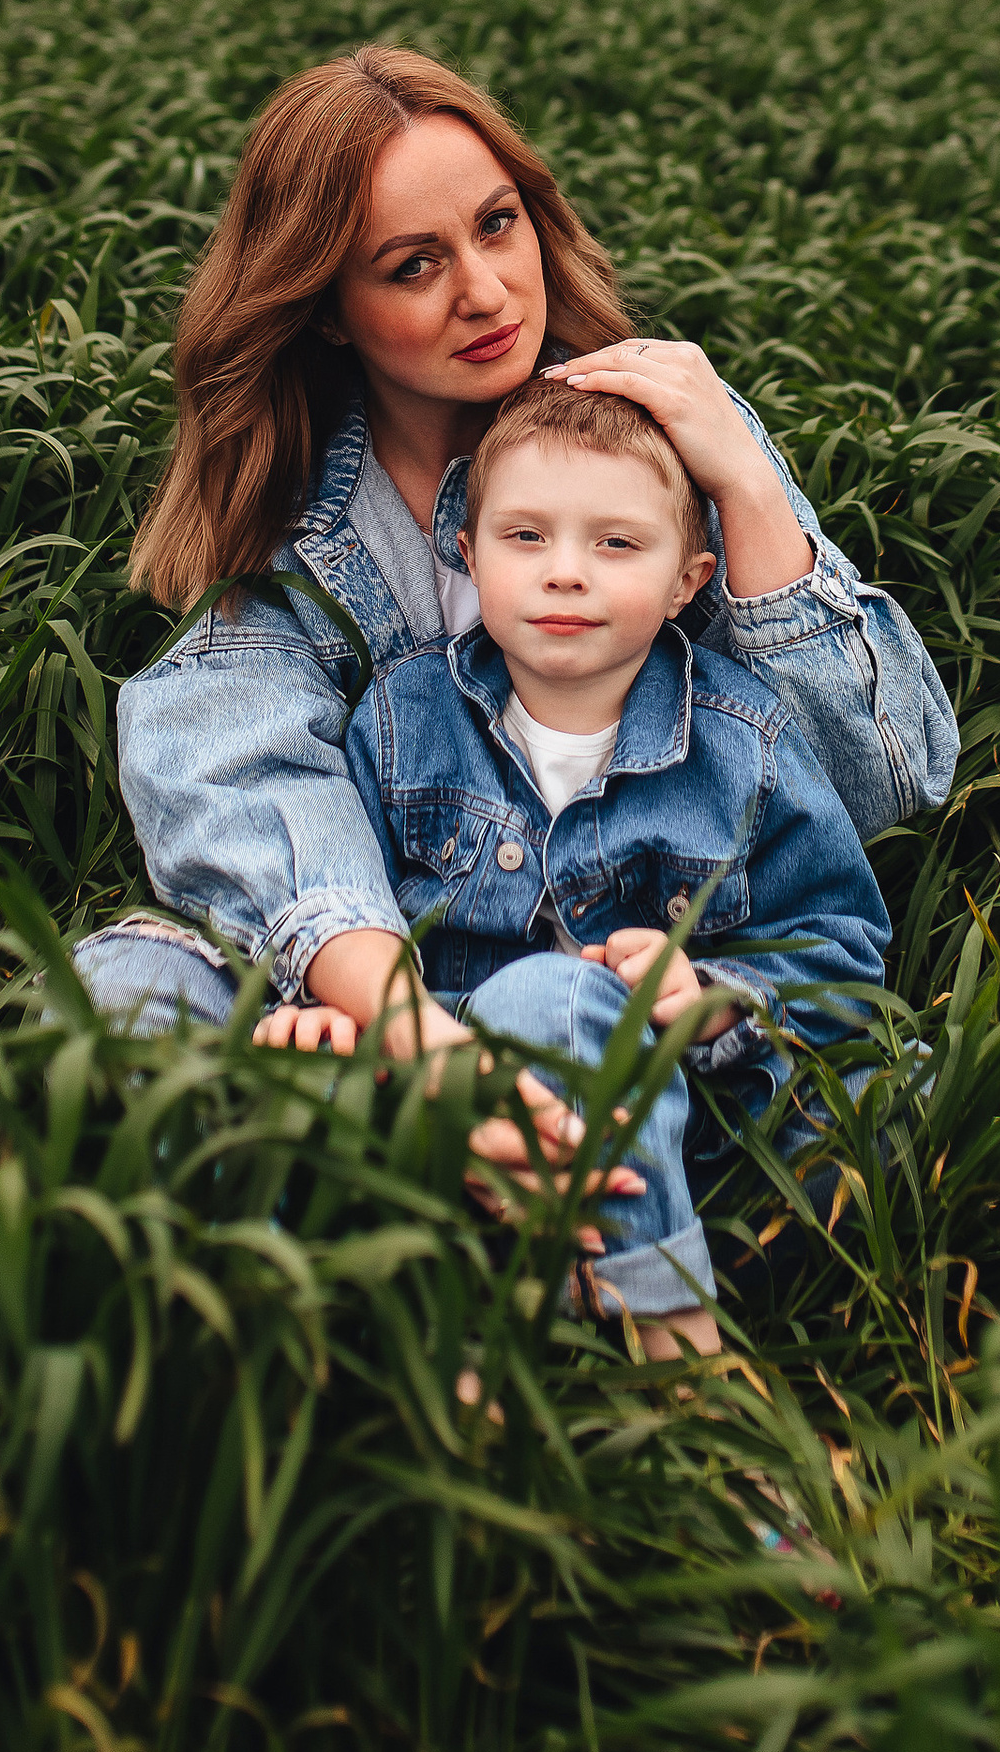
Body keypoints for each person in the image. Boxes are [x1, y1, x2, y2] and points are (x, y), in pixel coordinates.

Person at [72, 44, 958, 1203]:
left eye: (497, 225)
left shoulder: (658, 431)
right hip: (407, 1011)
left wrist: (740, 482)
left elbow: (883, 777)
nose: (485, 292)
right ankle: (441, 1177)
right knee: (111, 995)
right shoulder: (315, 534)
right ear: (330, 311)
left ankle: (469, 1192)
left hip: (661, 1011)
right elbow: (232, 772)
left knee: (884, 1106)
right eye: (411, 265)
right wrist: (416, 1047)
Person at [327, 374, 891, 1356]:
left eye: (615, 544)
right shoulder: (399, 721)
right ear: (468, 555)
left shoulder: (740, 742)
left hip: (692, 1117)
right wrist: (329, 1015)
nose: (564, 574)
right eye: (525, 538)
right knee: (528, 1012)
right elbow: (353, 913)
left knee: (889, 1098)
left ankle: (615, 1298)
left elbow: (839, 953)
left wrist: (711, 994)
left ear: (689, 580)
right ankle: (674, 1361)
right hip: (469, 1119)